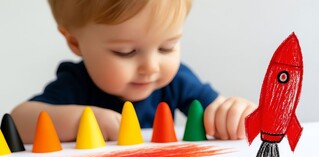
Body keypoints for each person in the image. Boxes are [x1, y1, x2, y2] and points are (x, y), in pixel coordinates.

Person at [11, 0, 256, 144]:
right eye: (126, 52)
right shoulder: (77, 83)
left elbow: (219, 112)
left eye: (166, 47)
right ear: (75, 43)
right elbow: (19, 121)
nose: (151, 67)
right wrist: (83, 120)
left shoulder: (176, 80)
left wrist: (234, 113)